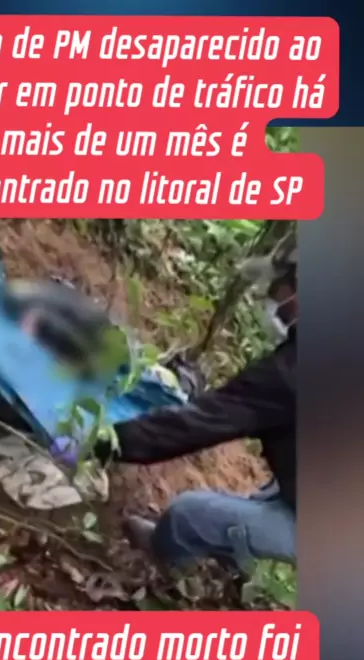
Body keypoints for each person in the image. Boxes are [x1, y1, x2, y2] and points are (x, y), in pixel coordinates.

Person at [91, 230, 298, 583]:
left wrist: (102, 440)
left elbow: (198, 423)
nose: (273, 296)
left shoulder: (291, 374)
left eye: (280, 286)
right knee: (270, 491)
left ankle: (164, 563)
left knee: (188, 515)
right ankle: (235, 548)